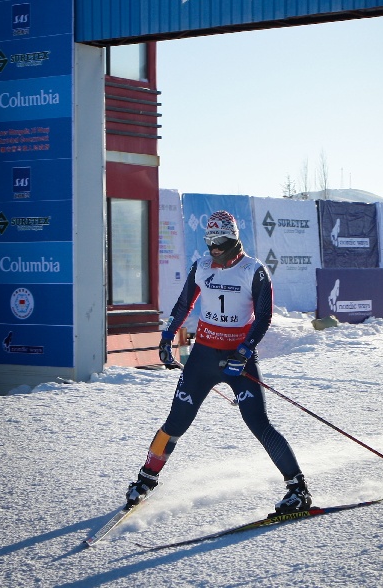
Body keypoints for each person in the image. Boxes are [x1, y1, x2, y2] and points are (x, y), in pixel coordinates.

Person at [126, 210, 312, 513]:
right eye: (209, 241)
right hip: (203, 359)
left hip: (238, 361)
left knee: (258, 423)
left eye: (219, 241)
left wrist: (245, 351)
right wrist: (167, 336)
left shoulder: (254, 270)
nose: (213, 248)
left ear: (234, 240)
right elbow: (184, 303)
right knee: (175, 423)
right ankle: (145, 480)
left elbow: (263, 316)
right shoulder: (201, 266)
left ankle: (298, 489)